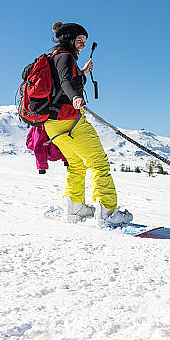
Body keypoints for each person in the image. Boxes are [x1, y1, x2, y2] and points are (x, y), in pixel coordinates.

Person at [44, 22, 133, 226]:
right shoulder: (65, 57)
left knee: (76, 164)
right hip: (69, 120)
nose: (83, 45)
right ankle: (108, 213)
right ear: (69, 39)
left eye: (84, 41)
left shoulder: (56, 57)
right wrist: (75, 97)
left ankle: (75, 209)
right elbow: (65, 82)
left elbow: (62, 82)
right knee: (98, 163)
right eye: (79, 41)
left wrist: (82, 73)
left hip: (52, 124)